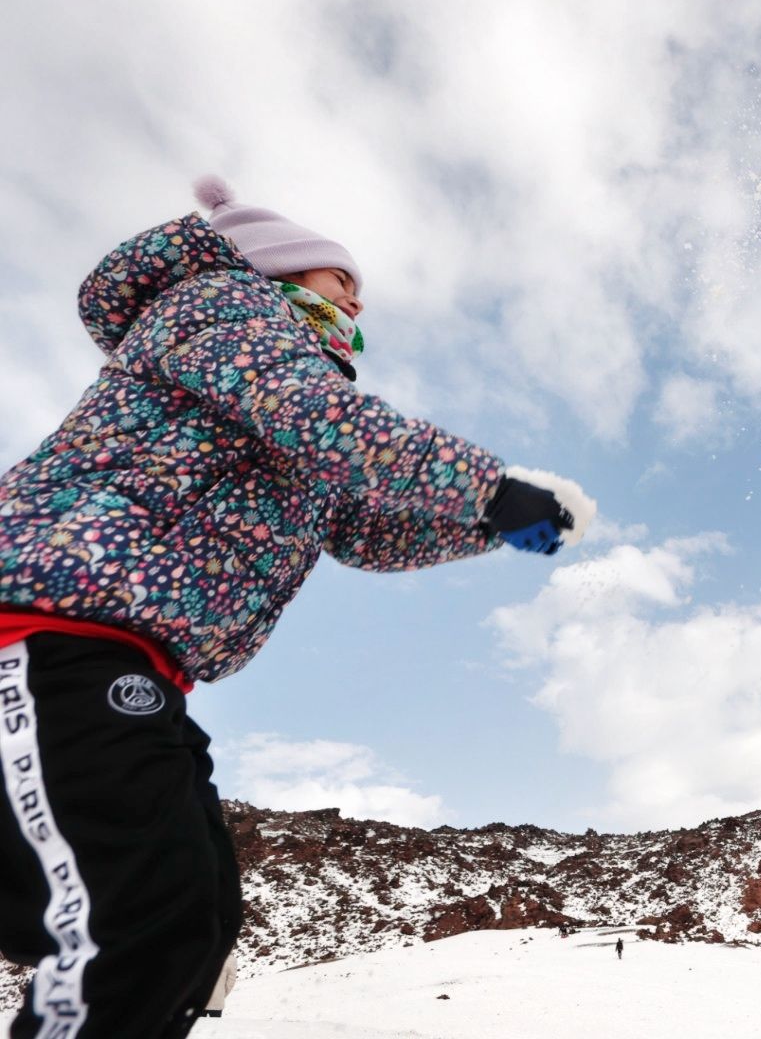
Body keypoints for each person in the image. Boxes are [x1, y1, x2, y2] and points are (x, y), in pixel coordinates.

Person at [0, 178, 593, 1038]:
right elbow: (317, 418)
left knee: (192, 924)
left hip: (134, 665)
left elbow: (359, 530)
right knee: (141, 914)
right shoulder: (221, 307)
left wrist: (491, 527)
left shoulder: (290, 370)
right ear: (275, 263)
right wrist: (490, 488)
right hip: (46, 634)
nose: (356, 292)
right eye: (338, 273)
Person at [199, 951, 236, 1019]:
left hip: (200, 999)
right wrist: (222, 994)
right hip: (216, 999)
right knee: (215, 1028)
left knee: (198, 1027)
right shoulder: (230, 959)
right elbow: (231, 981)